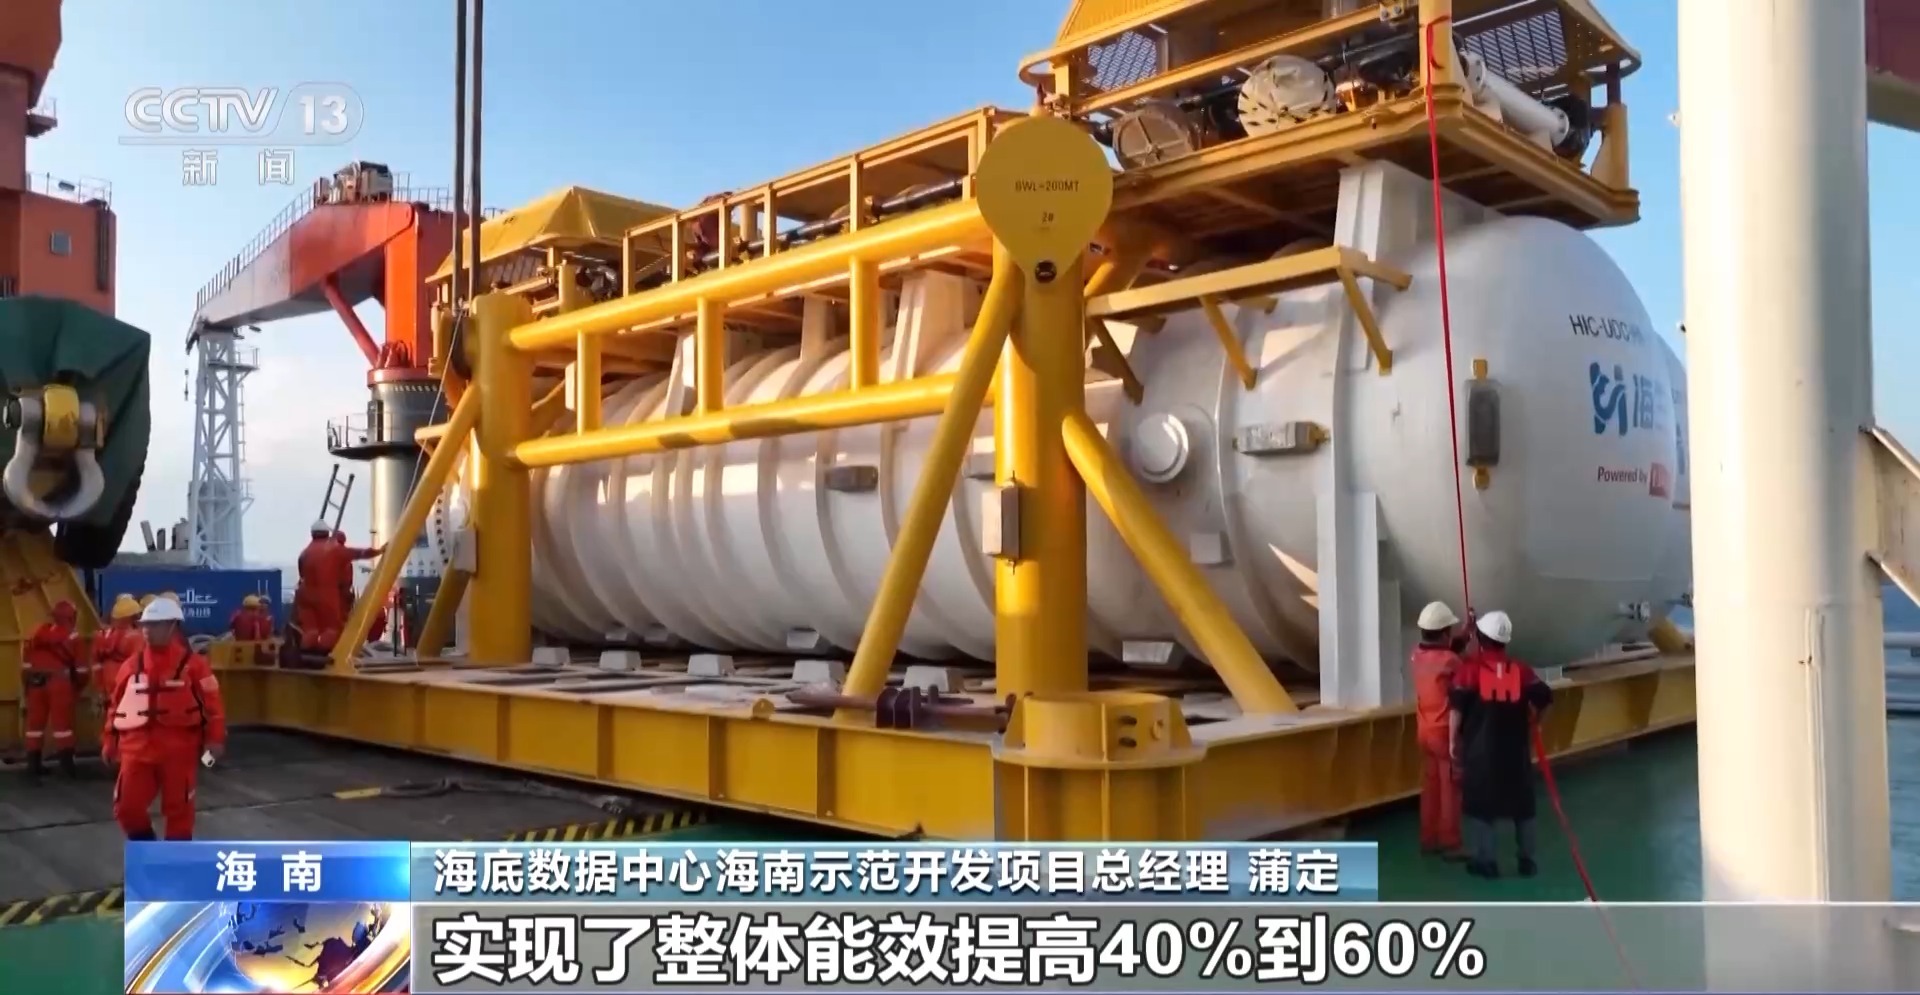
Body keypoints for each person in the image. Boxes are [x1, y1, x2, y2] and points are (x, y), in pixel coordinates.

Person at [103, 597, 227, 841]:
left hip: (179, 751)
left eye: (155, 625)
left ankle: (174, 860)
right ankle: (148, 849)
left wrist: (215, 739)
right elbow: (115, 707)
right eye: (145, 625)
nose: (147, 630)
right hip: (136, 751)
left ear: (172, 626)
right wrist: (109, 741)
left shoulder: (195, 666)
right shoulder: (130, 666)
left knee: (179, 812)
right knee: (126, 808)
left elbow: (213, 707)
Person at [1449, 610, 1553, 878]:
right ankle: (1527, 861)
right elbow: (1545, 696)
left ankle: (1487, 862)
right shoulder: (1521, 670)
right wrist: (1535, 720)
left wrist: (1452, 742)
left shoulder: (1469, 670)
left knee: (1481, 805)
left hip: (1480, 752)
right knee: (1523, 806)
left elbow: (1456, 709)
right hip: (1516, 751)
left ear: (1481, 638)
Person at [1411, 601, 1466, 860]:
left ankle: (1429, 838)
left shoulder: (1416, 656)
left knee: (1431, 786)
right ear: (1444, 633)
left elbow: (1444, 651)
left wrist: (1466, 633)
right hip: (1445, 733)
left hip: (1424, 730)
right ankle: (1451, 842)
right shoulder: (1452, 661)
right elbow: (1459, 670)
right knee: (1450, 789)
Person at [290, 520, 383, 657]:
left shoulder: (305, 553)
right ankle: (325, 655)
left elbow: (302, 574)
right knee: (331, 629)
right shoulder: (335, 550)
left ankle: (306, 655)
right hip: (326, 595)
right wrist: (379, 551)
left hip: (305, 595)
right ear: (327, 533)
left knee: (310, 629)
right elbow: (359, 553)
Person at [22, 600, 83, 780]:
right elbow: (81, 670)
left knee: (34, 726)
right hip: (59, 683)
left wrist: (26, 686)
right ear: (71, 617)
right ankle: (67, 768)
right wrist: (77, 687)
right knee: (63, 726)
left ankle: (33, 766)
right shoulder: (73, 637)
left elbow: (25, 666)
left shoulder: (36, 634)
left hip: (35, 682)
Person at [95, 595, 144, 698]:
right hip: (125, 684)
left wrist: (99, 688)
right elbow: (138, 666)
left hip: (105, 682)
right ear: (132, 617)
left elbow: (95, 662)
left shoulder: (101, 634)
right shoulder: (136, 637)